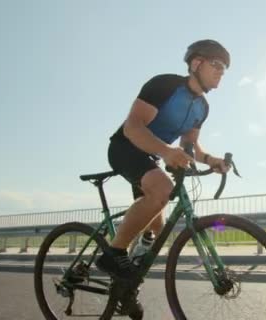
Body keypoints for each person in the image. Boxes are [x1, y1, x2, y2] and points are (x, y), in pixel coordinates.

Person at [95, 39, 232, 312]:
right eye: (217, 65)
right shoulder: (165, 85)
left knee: (156, 231)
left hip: (152, 157)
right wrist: (166, 152)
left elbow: (189, 146)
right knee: (162, 189)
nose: (221, 72)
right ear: (196, 63)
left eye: (225, 69)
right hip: (125, 147)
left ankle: (126, 285)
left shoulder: (202, 107)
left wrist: (210, 160)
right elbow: (133, 127)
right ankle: (113, 254)